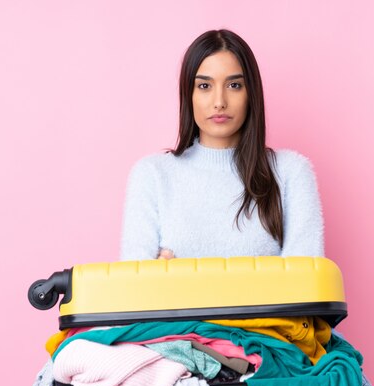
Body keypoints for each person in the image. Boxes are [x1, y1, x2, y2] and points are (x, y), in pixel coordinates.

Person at [120, 29, 324, 261]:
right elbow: (135, 288)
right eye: (205, 86)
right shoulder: (152, 175)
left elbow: (305, 287)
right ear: (189, 95)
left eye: (234, 85)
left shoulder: (291, 172)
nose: (219, 102)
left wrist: (178, 281)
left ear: (251, 93)